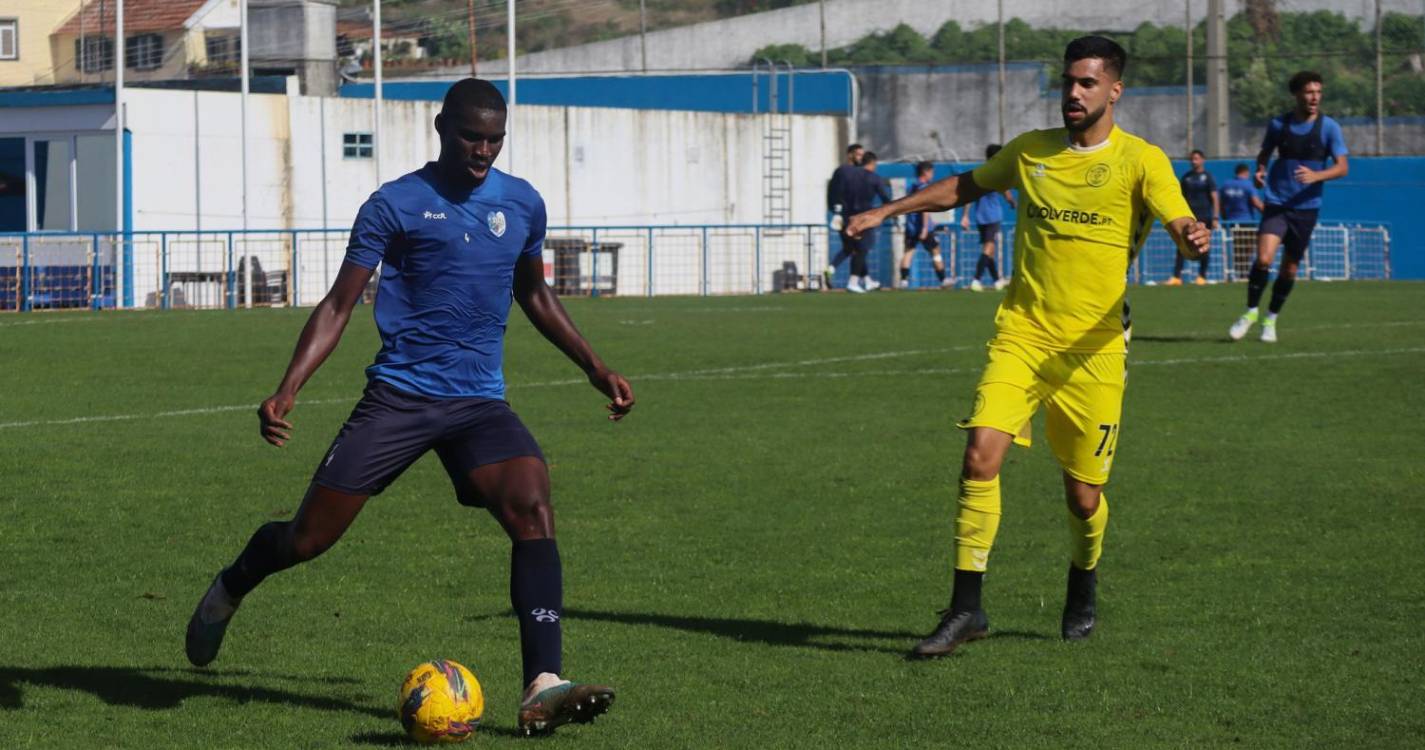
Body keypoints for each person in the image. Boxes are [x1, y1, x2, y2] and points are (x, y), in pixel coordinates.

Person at [184, 79, 633, 737]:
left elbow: (534, 295)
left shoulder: (522, 202)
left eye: (494, 138)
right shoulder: (393, 205)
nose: (482, 150)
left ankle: (542, 684)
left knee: (532, 503)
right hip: (398, 398)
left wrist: (595, 366)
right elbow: (339, 305)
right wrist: (289, 388)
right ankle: (232, 584)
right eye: (470, 136)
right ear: (440, 127)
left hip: (479, 402)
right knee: (307, 540)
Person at [847, 36, 1209, 657]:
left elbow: (1177, 219)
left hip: (1095, 350)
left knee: (1083, 495)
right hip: (1023, 335)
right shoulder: (1031, 152)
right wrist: (887, 212)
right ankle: (966, 610)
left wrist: (1190, 236)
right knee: (979, 456)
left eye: (1088, 84)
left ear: (1114, 90)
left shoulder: (1141, 161)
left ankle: (1083, 579)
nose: (1073, 93)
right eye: (1068, 82)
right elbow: (965, 187)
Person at [1229, 71, 1349, 343]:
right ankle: (1249, 312)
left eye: (1318, 92)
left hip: (1306, 208)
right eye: (1309, 92)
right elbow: (1264, 155)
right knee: (1263, 259)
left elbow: (1343, 167)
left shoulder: (1329, 127)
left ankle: (1270, 319)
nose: (1315, 97)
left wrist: (1317, 176)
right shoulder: (1278, 125)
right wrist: (1260, 170)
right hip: (1277, 203)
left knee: (1290, 269)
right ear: (1296, 94)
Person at [960, 144, 1016, 291]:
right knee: (988, 248)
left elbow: (970, 196)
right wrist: (1012, 202)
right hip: (992, 217)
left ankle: (997, 280)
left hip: (980, 217)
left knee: (989, 250)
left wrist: (965, 216)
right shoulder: (997, 172)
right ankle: (976, 279)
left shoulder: (979, 172)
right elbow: (1006, 191)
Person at [838, 151, 892, 293]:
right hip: (865, 217)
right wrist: (892, 212)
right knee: (862, 249)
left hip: (849, 217)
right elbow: (884, 197)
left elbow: (841, 194)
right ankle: (853, 281)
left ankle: (867, 281)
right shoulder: (874, 178)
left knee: (856, 249)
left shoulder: (850, 176)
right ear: (873, 163)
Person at [1167, 149, 1219, 286]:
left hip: (1205, 217)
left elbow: (1215, 197)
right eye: (1192, 159)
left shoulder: (1207, 177)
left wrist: (1215, 217)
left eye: (1196, 158)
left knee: (1203, 246)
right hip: (1188, 219)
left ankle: (1202, 276)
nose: (1193, 161)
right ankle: (1176, 277)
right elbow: (1180, 197)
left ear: (1202, 160)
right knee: (1182, 245)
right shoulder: (1186, 177)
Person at [897, 161, 952, 289]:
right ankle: (943, 279)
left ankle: (903, 280)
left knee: (908, 252)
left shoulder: (912, 187)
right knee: (935, 251)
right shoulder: (924, 187)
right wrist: (925, 227)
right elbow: (924, 209)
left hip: (911, 226)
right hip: (923, 227)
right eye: (931, 172)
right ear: (925, 172)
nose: (932, 175)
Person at [824, 143, 865, 288]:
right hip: (846, 216)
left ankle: (831, 269)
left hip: (853, 215)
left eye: (862, 154)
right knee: (860, 247)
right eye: (858, 154)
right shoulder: (842, 171)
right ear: (850, 155)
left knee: (850, 248)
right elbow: (835, 192)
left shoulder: (857, 171)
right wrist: (837, 212)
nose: (861, 157)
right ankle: (860, 281)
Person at [1219, 162, 1265, 278]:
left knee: (1236, 249)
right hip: (1247, 222)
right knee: (1248, 249)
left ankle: (1238, 273)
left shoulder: (1226, 185)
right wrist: (1269, 213)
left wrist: (1225, 218)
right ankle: (1245, 273)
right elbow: (1256, 202)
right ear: (1246, 172)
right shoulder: (1248, 185)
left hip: (1231, 223)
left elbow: (1220, 204)